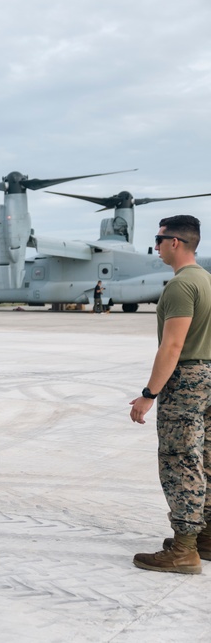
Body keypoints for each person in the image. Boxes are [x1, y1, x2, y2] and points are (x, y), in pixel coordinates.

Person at [129, 215, 211, 574]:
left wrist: (149, 393)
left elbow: (173, 345)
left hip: (187, 380)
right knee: (206, 458)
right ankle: (206, 537)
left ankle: (184, 550)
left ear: (175, 242)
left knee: (181, 461)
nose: (157, 245)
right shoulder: (206, 280)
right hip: (209, 374)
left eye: (159, 239)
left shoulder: (181, 286)